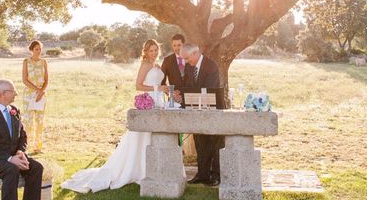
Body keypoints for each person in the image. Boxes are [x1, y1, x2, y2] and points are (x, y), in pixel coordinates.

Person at [61, 39, 173, 193]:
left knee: (153, 136)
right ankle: (139, 169)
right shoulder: (145, 65)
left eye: (155, 50)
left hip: (159, 101)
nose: (154, 53)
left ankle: (150, 168)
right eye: (151, 50)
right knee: (142, 136)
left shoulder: (156, 65)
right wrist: (157, 87)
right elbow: (138, 85)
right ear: (146, 52)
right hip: (149, 101)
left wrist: (164, 90)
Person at [0, 80, 43, 200]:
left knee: (37, 167)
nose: (16, 93)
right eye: (13, 91)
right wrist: (10, 159)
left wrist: (20, 152)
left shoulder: (14, 111)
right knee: (12, 169)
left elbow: (22, 136)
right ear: (3, 94)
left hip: (14, 157)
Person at [180, 44, 224, 187]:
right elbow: (188, 85)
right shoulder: (189, 67)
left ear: (195, 53)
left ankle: (216, 175)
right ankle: (202, 174)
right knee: (200, 140)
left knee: (214, 142)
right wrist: (182, 97)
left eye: (187, 58)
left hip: (213, 110)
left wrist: (192, 96)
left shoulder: (211, 66)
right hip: (196, 109)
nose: (186, 62)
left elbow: (208, 89)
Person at [22, 40, 49, 153]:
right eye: (36, 49)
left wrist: (41, 92)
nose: (38, 51)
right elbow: (24, 79)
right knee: (28, 121)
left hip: (41, 95)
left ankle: (38, 147)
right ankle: (25, 147)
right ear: (32, 50)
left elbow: (46, 79)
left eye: (40, 49)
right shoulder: (26, 61)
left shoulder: (44, 62)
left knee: (39, 121)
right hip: (29, 95)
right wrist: (37, 90)